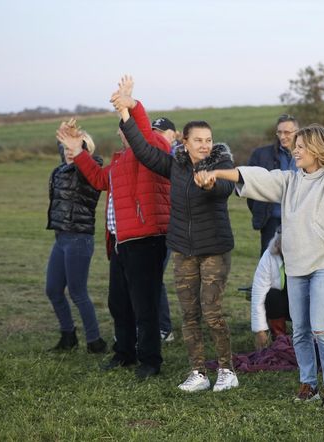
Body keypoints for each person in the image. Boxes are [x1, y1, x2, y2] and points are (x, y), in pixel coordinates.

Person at [194, 81, 324, 408]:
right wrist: (218, 174)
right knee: (301, 331)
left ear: (319, 151)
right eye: (295, 146)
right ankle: (308, 383)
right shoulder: (289, 181)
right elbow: (255, 177)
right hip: (296, 266)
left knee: (322, 326)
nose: (294, 150)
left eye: (301, 147)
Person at [111, 77, 238, 393]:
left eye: (208, 140)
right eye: (199, 140)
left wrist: (211, 183)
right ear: (185, 142)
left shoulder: (220, 162)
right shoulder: (175, 166)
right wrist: (126, 115)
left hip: (213, 249)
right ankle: (198, 372)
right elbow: (142, 149)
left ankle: (226, 370)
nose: (205, 145)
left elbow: (225, 188)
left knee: (212, 312)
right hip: (183, 250)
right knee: (189, 314)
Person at [58, 76, 171, 380]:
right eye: (122, 129)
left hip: (146, 240)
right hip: (121, 244)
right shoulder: (120, 162)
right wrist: (78, 150)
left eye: (128, 127)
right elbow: (97, 178)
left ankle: (150, 360)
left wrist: (132, 105)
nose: (125, 133)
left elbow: (144, 134)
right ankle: (125, 354)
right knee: (119, 303)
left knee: (144, 305)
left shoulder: (153, 149)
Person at [46, 121, 106, 354]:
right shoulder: (59, 171)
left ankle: (95, 341)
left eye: (74, 148)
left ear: (85, 149)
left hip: (79, 238)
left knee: (77, 291)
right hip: (61, 239)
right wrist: (66, 136)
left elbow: (87, 171)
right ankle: (68, 336)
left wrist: (78, 147)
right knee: (53, 289)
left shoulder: (92, 168)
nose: (69, 152)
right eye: (65, 148)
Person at [246, 114, 299, 255]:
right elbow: (251, 187)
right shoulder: (260, 155)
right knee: (269, 261)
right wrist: (261, 211)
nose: (282, 136)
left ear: (297, 133)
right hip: (271, 219)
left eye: (287, 132)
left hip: (298, 219)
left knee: (296, 260)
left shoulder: (307, 154)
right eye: (279, 132)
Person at [151, 116, 178, 343]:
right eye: (155, 132)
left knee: (155, 276)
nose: (158, 137)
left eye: (163, 132)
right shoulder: (153, 156)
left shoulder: (176, 157)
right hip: (155, 222)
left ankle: (164, 327)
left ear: (175, 135)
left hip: (169, 225)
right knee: (152, 275)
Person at [251, 228, 289, 350]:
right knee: (272, 295)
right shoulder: (268, 256)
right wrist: (260, 330)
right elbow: (258, 293)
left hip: (303, 302)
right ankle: (279, 338)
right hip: (282, 302)